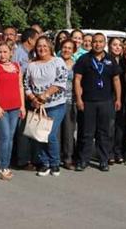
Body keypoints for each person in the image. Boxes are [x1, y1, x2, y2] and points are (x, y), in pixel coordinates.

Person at [74, 33, 121, 172]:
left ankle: (103, 160)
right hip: (88, 101)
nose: (97, 44)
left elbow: (116, 80)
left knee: (104, 132)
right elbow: (77, 80)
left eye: (100, 42)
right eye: (95, 41)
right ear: (91, 43)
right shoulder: (84, 59)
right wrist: (79, 99)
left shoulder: (110, 60)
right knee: (86, 132)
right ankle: (83, 160)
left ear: (104, 43)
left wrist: (118, 99)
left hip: (106, 101)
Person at [24, 36, 69, 176]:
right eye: (39, 46)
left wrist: (46, 94)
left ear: (50, 47)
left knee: (50, 134)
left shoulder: (58, 61)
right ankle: (45, 163)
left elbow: (61, 81)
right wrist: (33, 98)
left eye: (44, 46)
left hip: (56, 104)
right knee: (40, 135)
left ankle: (55, 162)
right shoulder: (31, 65)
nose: (42, 48)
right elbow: (26, 84)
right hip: (38, 106)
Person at [0, 42, 25, 180]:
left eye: (5, 52)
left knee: (10, 137)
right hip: (0, 108)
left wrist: (22, 106)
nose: (2, 55)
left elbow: (20, 86)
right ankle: (2, 166)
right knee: (5, 136)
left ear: (10, 53)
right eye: (0, 52)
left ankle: (6, 164)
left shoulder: (16, 67)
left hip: (14, 107)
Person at [13, 28, 39, 170]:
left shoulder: (30, 53)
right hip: (21, 95)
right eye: (36, 39)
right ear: (30, 40)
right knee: (22, 128)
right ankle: (21, 160)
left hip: (29, 95)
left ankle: (29, 157)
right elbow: (16, 76)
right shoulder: (18, 53)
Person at [58, 39, 77, 170]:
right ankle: (56, 157)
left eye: (69, 48)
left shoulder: (76, 65)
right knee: (56, 132)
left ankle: (68, 158)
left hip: (70, 100)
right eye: (64, 47)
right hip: (56, 101)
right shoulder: (55, 62)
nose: (66, 50)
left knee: (69, 131)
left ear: (74, 51)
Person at [108, 37, 126, 164]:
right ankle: (108, 152)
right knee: (109, 125)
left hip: (123, 97)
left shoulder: (124, 62)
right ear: (109, 46)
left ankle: (118, 151)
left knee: (120, 126)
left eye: (120, 45)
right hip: (109, 96)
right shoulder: (105, 60)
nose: (117, 47)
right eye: (114, 44)